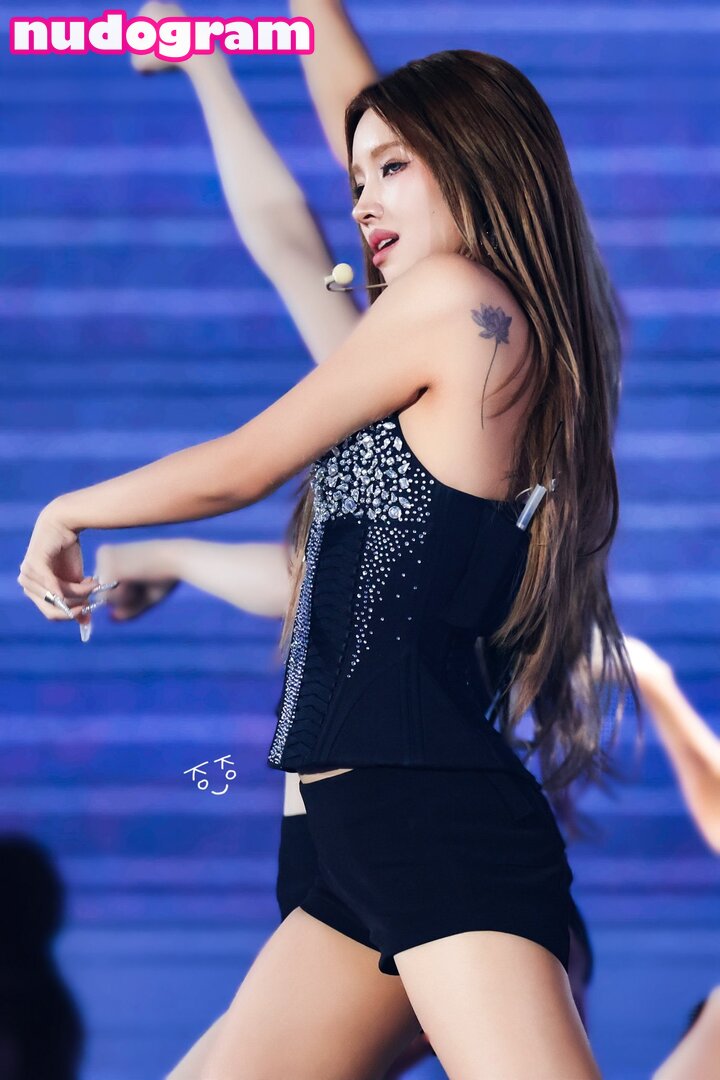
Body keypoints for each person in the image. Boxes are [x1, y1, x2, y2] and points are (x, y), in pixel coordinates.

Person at [19, 48, 637, 1078]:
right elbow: (287, 245)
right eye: (355, 178)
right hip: (352, 841)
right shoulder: (432, 352)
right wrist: (209, 69)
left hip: (422, 820)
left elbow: (247, 463)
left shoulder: (455, 302)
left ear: (473, 157)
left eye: (392, 168)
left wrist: (66, 508)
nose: (361, 201)